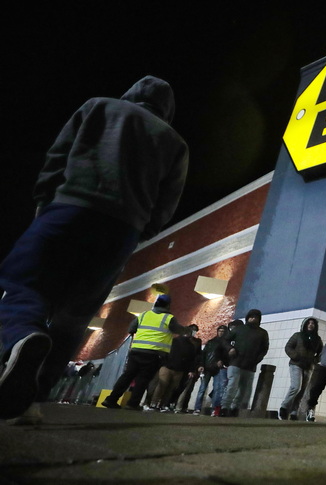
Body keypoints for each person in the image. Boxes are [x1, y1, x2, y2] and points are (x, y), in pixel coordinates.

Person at [0, 76, 188, 420]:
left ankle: (23, 334)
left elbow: (58, 156)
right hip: (121, 230)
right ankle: (34, 399)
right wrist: (140, 231)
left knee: (23, 281)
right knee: (75, 315)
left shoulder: (98, 106)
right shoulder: (175, 143)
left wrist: (45, 201)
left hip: (72, 208)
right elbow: (166, 202)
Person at [102, 294, 189, 410]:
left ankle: (111, 399)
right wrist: (187, 330)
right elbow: (179, 330)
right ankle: (132, 403)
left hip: (136, 350)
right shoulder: (168, 318)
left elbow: (131, 329)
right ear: (168, 305)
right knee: (143, 378)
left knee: (127, 375)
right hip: (153, 353)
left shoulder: (143, 315)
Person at [220, 310, 269, 417]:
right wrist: (230, 349)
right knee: (232, 385)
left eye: (256, 317)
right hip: (236, 362)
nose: (253, 319)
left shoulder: (262, 333)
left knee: (244, 390)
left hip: (250, 365)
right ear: (247, 318)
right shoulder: (239, 329)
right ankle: (224, 407)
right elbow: (225, 340)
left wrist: (257, 359)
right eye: (251, 317)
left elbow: (264, 349)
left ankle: (234, 408)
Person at [145, 324, 201, 412]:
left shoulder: (185, 344)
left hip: (175, 368)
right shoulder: (180, 342)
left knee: (166, 387)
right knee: (164, 387)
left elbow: (192, 359)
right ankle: (157, 404)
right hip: (171, 368)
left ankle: (158, 404)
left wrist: (190, 369)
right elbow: (191, 359)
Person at [279, 317, 323, 421]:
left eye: (313, 323)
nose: (311, 325)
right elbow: (288, 347)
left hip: (309, 366)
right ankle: (284, 407)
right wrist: (295, 356)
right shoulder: (297, 336)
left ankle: (294, 411)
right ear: (305, 325)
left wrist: (314, 360)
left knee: (302, 390)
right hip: (296, 364)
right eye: (309, 323)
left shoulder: (317, 339)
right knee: (296, 387)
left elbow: (321, 353)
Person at [193, 325, 230, 416]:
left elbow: (226, 357)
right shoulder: (211, 342)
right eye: (220, 331)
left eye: (223, 331)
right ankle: (198, 408)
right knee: (203, 389)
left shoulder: (223, 343)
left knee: (216, 389)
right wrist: (201, 365)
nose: (221, 332)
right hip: (208, 368)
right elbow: (203, 354)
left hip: (217, 369)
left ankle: (213, 409)